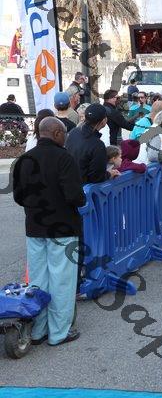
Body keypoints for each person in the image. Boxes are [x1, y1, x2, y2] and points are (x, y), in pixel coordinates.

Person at [12, 117, 85, 346]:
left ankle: (37, 330)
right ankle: (59, 332)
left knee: (37, 280)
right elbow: (75, 196)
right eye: (64, 134)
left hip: (34, 227)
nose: (66, 138)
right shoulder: (64, 158)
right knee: (61, 281)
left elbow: (18, 196)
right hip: (63, 228)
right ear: (56, 133)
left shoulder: (24, 159)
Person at [66, 103, 121, 183]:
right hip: (83, 187)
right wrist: (109, 174)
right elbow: (96, 177)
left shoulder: (74, 132)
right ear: (104, 120)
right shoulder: (97, 145)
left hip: (68, 182)